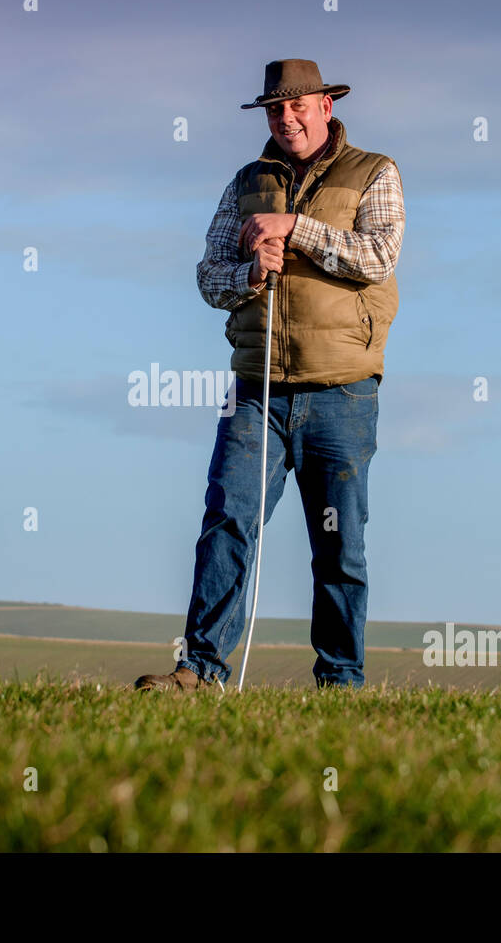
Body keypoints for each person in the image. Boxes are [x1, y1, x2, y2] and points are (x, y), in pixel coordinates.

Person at [135, 58, 405, 692]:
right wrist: (251, 275)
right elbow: (208, 279)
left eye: (298, 106)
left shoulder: (375, 173)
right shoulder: (245, 183)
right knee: (227, 520)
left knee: (338, 542)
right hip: (257, 389)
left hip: (343, 389)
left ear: (326, 107)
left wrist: (297, 230)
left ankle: (341, 682)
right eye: (276, 110)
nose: (287, 119)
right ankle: (199, 672)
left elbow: (378, 256)